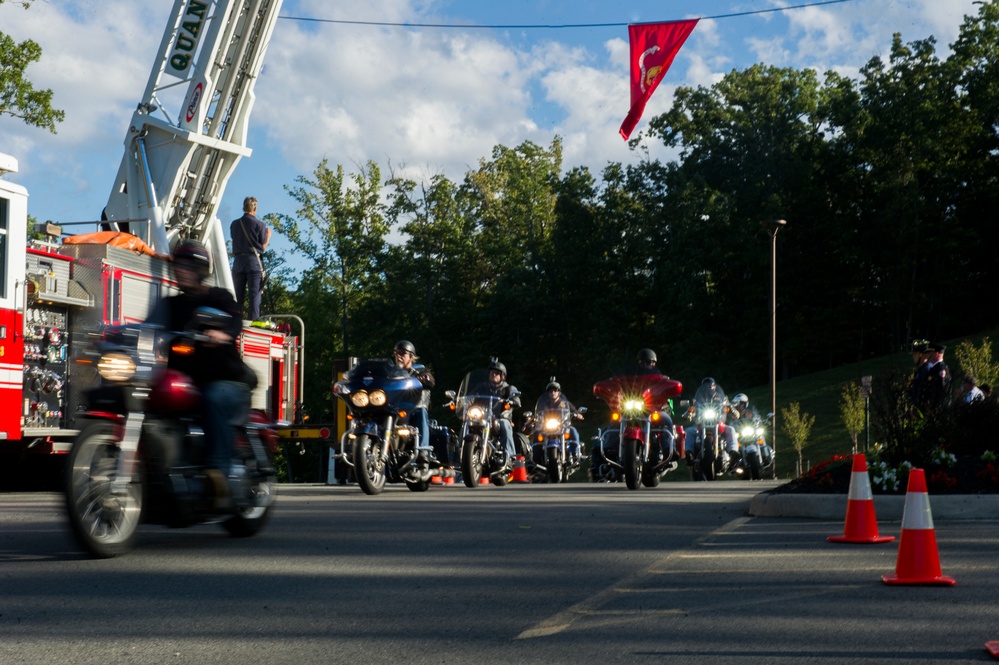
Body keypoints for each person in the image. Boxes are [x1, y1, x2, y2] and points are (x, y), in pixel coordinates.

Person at [147, 239, 254, 498]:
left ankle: (217, 475)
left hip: (227, 379)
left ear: (200, 269)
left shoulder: (218, 297)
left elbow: (234, 320)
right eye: (178, 265)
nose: (180, 270)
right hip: (187, 381)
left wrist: (222, 332)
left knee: (213, 397)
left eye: (187, 265)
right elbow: (146, 326)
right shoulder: (169, 305)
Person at [471, 358, 521, 465]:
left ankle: (509, 456)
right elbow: (471, 397)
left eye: (497, 373)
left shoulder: (508, 389)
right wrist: (463, 402)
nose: (493, 375)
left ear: (503, 376)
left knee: (504, 424)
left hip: (500, 417)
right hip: (482, 417)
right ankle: (462, 453)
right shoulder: (481, 387)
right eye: (491, 373)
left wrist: (513, 401)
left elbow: (516, 400)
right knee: (467, 424)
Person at [230, 196, 271, 321]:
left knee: (237, 295)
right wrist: (268, 235)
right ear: (255, 208)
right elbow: (262, 246)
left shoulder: (235, 224)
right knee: (254, 295)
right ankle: (253, 321)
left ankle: (235, 320)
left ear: (243, 206)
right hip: (253, 261)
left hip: (238, 261)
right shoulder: (259, 225)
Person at [391, 340, 435, 452]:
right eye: (396, 353)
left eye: (402, 353)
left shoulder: (419, 370)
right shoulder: (390, 373)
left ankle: (423, 451)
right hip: (395, 410)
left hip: (413, 409)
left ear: (411, 356)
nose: (398, 356)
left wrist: (424, 378)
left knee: (421, 413)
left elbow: (431, 382)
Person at [533, 378, 583, 463]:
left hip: (562, 426)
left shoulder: (565, 403)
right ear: (548, 393)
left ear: (559, 392)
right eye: (550, 391)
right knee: (536, 433)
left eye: (555, 390)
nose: (553, 392)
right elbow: (538, 414)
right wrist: (534, 419)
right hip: (547, 427)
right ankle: (535, 457)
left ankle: (575, 453)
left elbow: (575, 411)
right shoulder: (544, 405)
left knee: (573, 430)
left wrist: (577, 414)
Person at [920, 343, 951, 412]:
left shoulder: (941, 369)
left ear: (936, 354)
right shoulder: (935, 368)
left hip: (939, 409)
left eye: (929, 353)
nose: (927, 355)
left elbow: (942, 389)